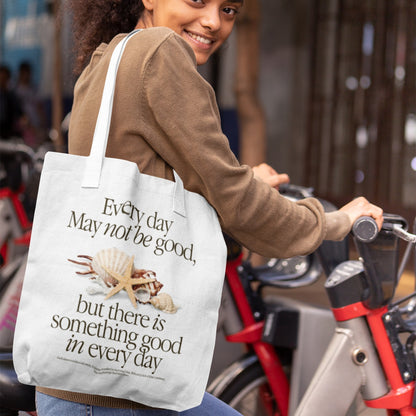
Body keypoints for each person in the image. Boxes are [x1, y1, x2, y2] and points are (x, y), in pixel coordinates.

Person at [36, 0, 383, 415]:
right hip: (118, 390)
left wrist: (243, 181)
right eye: (197, 1)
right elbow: (238, 203)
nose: (213, 22)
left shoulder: (109, 56)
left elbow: (146, 178)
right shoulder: (162, 52)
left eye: (229, 9)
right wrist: (335, 221)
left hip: (81, 375)